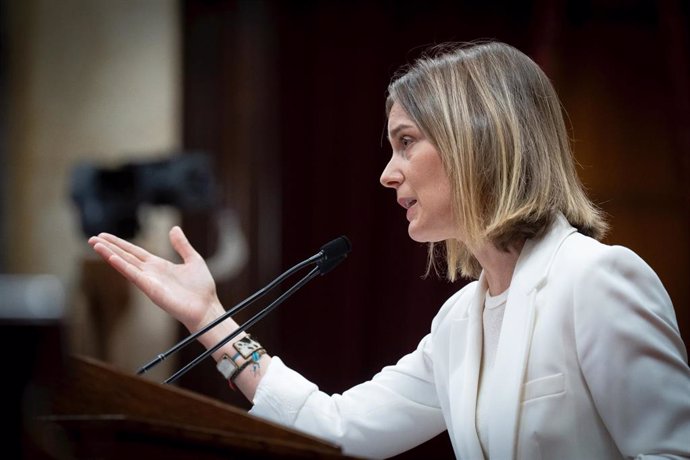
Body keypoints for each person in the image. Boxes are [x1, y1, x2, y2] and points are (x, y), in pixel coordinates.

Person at [88, 41, 690, 459]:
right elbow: (338, 429)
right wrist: (208, 320)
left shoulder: (598, 280)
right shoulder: (460, 324)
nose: (387, 173)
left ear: (475, 140)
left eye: (406, 143)